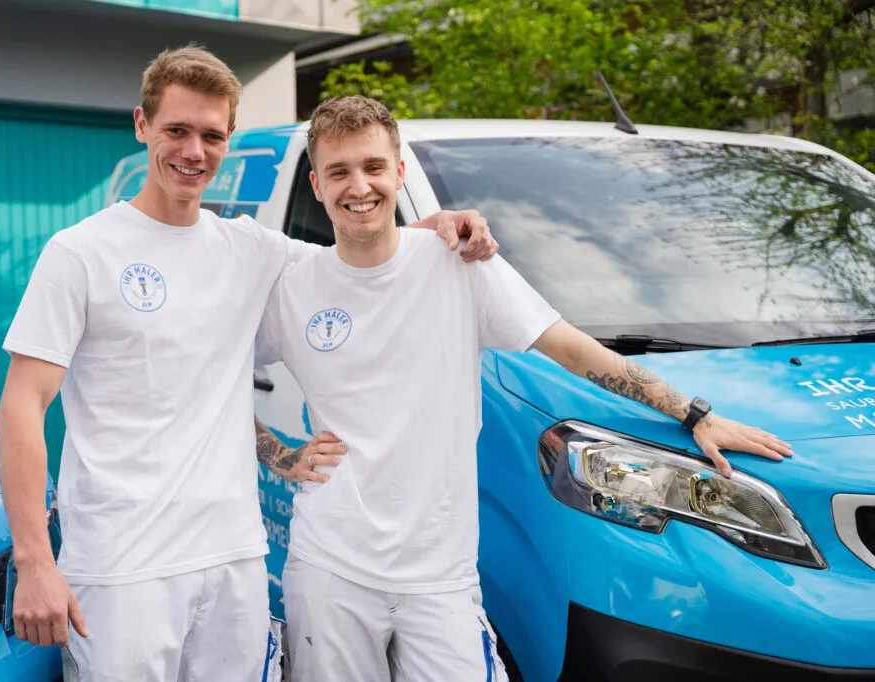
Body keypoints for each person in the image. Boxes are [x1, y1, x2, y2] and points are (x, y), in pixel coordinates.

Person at [0, 47, 498, 682]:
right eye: (177, 129)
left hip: (234, 561)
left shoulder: (248, 248)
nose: (193, 150)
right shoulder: (80, 253)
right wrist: (36, 561)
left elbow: (360, 248)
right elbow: (22, 405)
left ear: (229, 138)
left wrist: (439, 227)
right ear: (142, 125)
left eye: (211, 134)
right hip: (123, 570)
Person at [253, 96, 795, 681]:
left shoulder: (458, 265)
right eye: (339, 171)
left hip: (439, 573)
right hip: (329, 569)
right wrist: (280, 455)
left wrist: (691, 415)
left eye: (373, 167)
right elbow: (206, 378)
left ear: (399, 172)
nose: (359, 186)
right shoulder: (295, 286)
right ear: (316, 183)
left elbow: (570, 347)